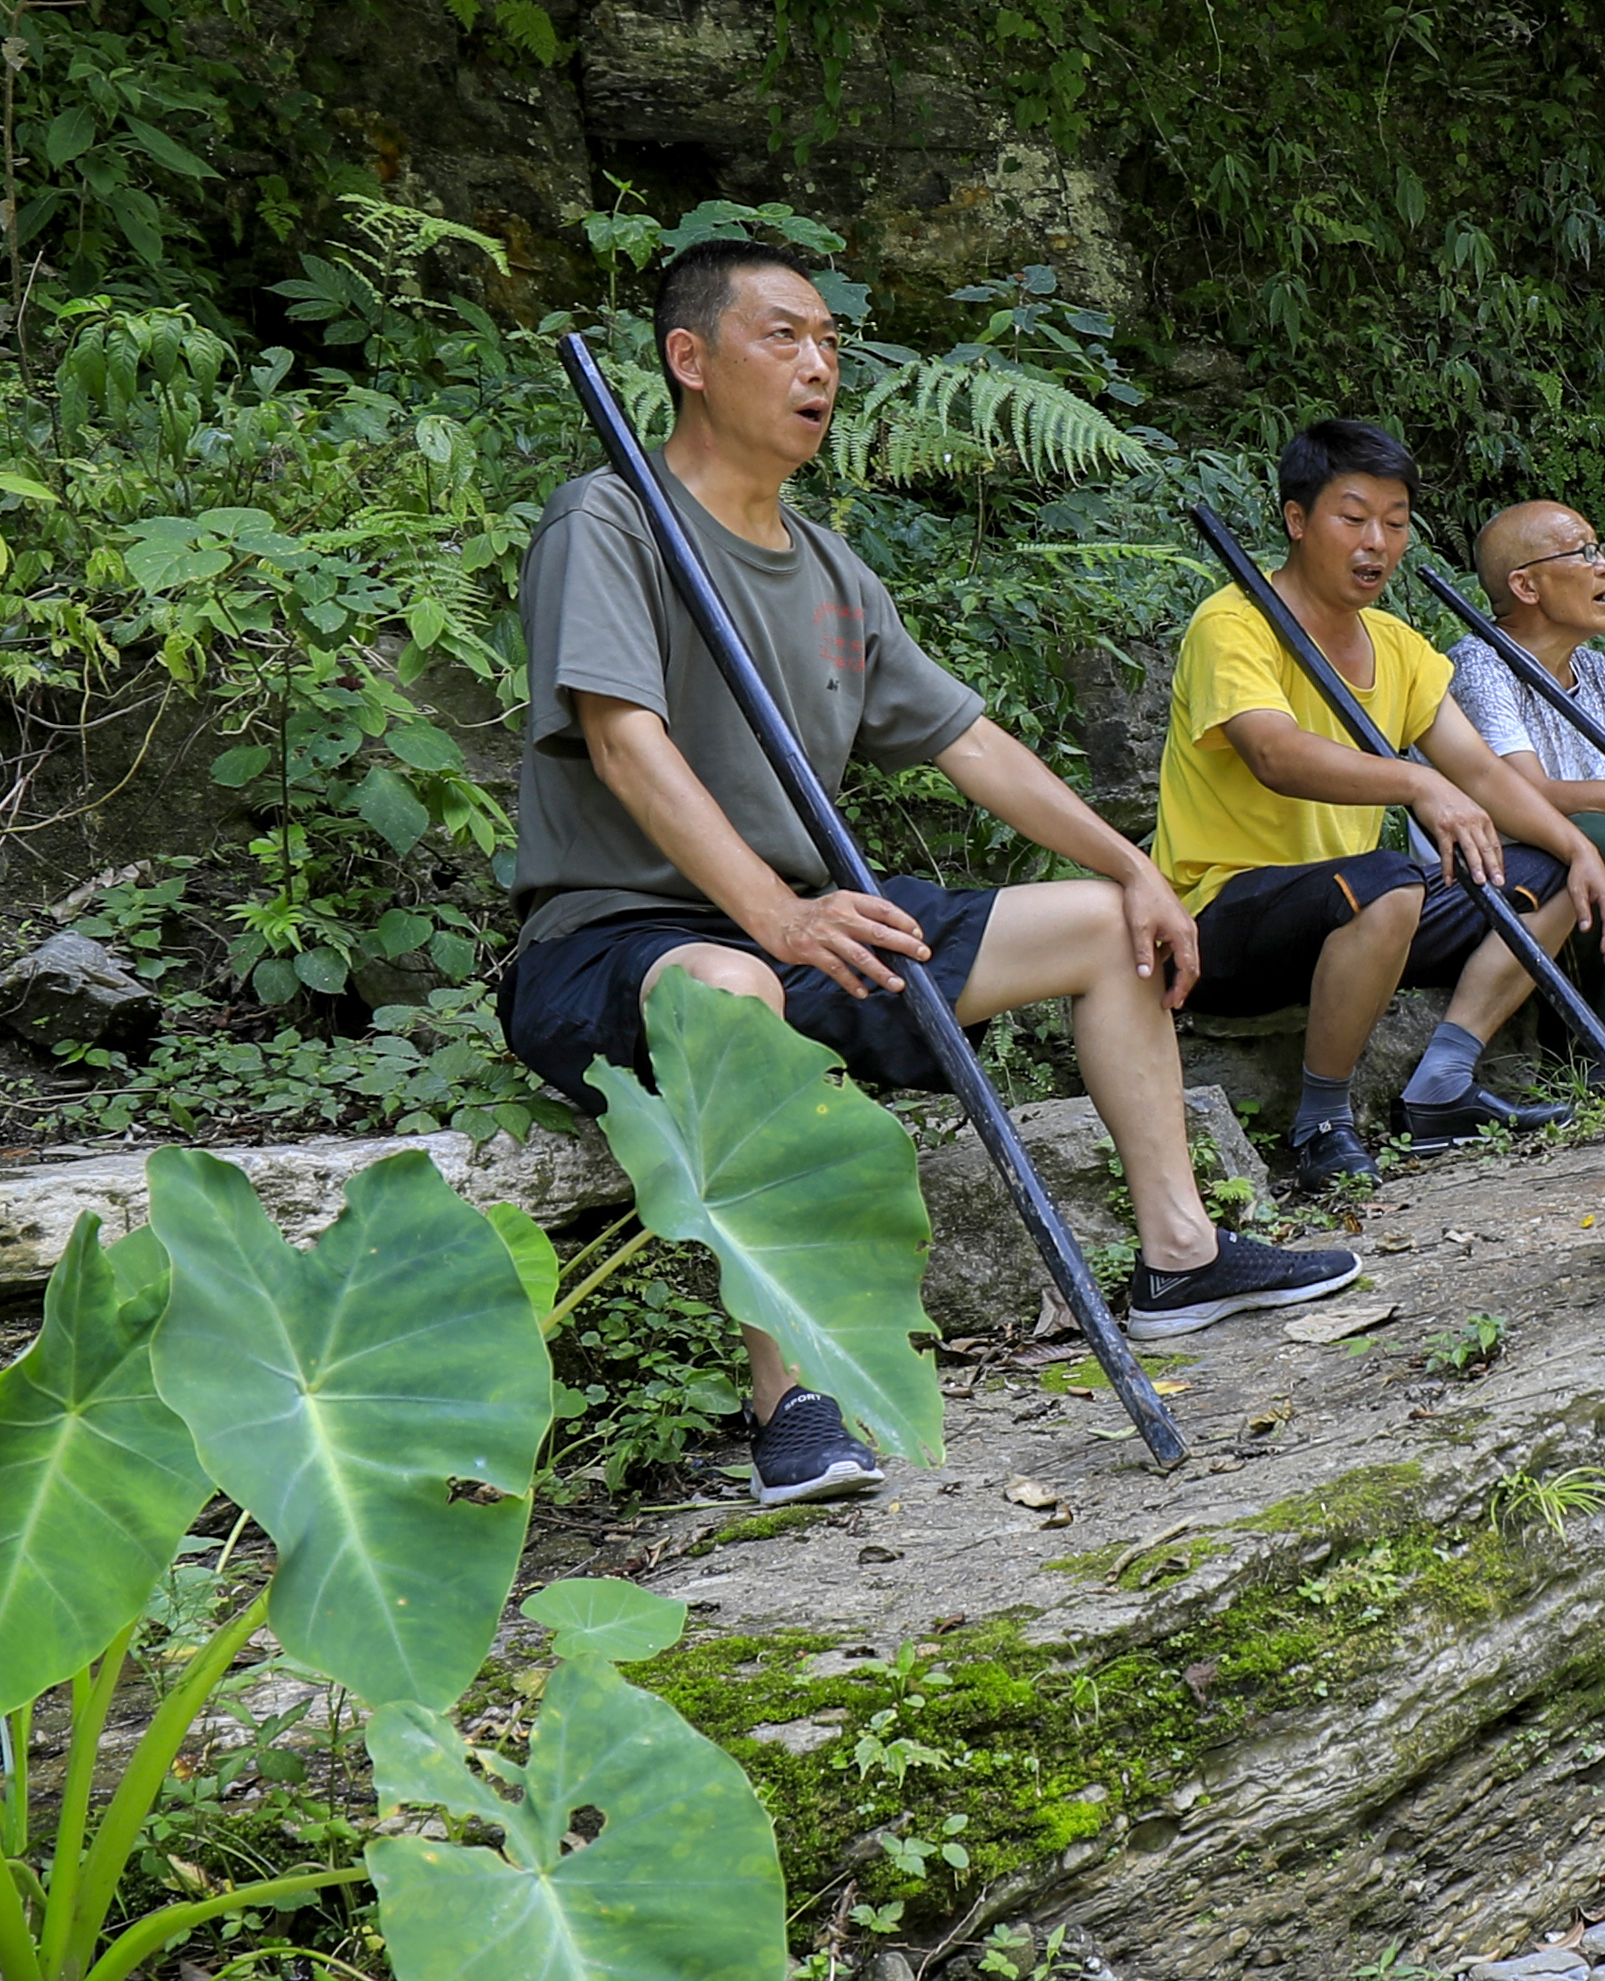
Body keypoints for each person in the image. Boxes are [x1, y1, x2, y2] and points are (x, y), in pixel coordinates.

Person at [504, 237, 1358, 1507]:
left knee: (1100, 926)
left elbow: (967, 741)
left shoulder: (834, 571)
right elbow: (625, 741)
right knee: (729, 991)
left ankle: (1180, 1256)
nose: (818, 366)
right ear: (689, 359)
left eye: (830, 344)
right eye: (781, 336)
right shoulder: (613, 519)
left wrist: (1129, 865)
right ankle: (790, 1400)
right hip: (622, 941)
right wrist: (772, 914)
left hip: (811, 921)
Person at [1154, 419, 1605, 1193]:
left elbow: (1477, 770)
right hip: (1225, 915)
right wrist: (1414, 782)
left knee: (1545, 866)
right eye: (1353, 518)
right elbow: (1272, 752)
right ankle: (1321, 1122)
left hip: (1366, 909)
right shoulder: (1233, 622)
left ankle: (1441, 1084)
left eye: (1397, 522)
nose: (1377, 540)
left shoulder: (1401, 646)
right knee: (1384, 880)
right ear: (1298, 520)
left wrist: (1576, 849)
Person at [1444, 497, 1605, 1064]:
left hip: (1595, 885)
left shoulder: (1595, 672)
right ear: (1527, 586)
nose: (1603, 565)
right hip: (1509, 891)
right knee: (1594, 833)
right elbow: (1527, 794)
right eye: (1583, 552)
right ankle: (1592, 1059)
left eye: (1599, 550)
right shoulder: (1481, 665)